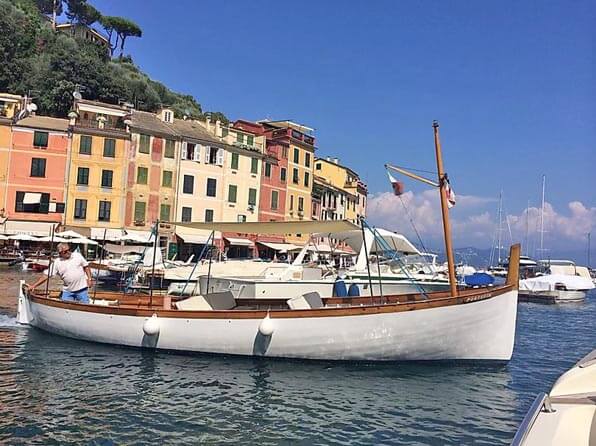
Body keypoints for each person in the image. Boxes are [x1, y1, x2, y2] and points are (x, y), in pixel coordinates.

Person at [26, 242, 93, 303]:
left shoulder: (77, 256)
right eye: (65, 251)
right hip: (68, 291)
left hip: (82, 290)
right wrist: (34, 286)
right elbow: (46, 276)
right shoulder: (57, 262)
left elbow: (86, 267)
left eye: (69, 250)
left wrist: (89, 279)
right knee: (65, 308)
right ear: (60, 253)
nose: (68, 252)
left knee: (86, 306)